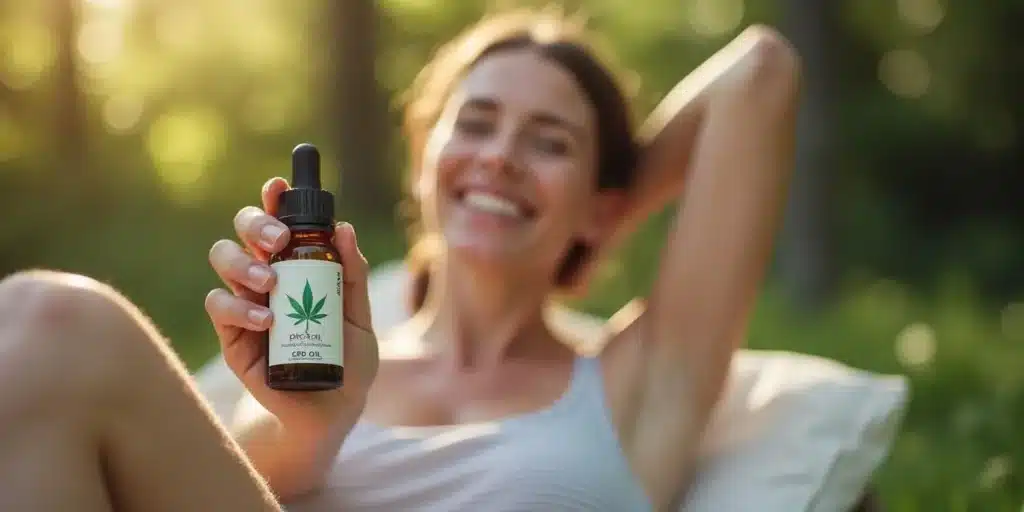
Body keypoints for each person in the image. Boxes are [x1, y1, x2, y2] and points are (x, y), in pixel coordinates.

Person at [0, 8, 799, 512]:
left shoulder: (640, 379)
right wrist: (309, 429)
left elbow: (760, 72)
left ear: (605, 202)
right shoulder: (325, 352)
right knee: (50, 318)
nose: (501, 157)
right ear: (424, 156)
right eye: (477, 126)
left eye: (548, 142)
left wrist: (589, 222)